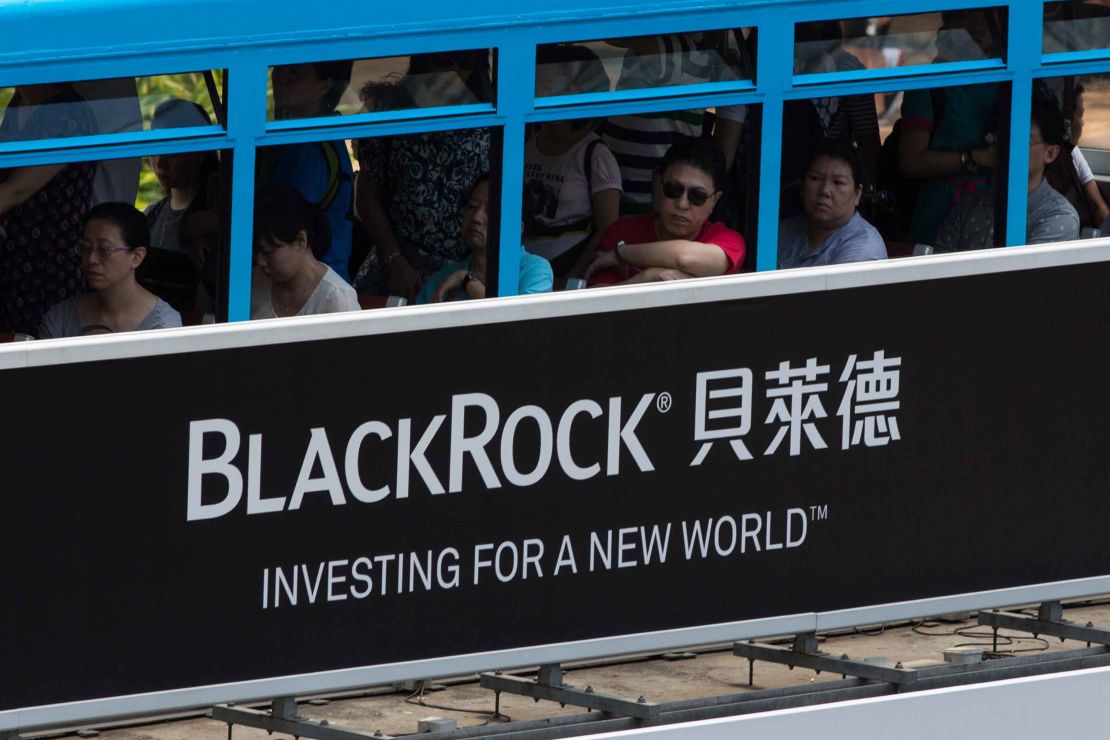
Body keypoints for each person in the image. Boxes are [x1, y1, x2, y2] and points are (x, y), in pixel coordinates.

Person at [354, 52, 492, 299]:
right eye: (443, 59)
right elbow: (367, 196)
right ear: (423, 59)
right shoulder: (392, 109)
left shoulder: (492, 112)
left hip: (465, 267)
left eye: (466, 60)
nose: (454, 69)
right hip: (401, 262)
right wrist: (394, 260)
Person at [601, 33, 746, 216]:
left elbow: (614, 32)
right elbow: (723, 159)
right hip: (654, 191)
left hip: (637, 193)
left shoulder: (672, 48)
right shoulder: (707, 60)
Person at [0, 82, 98, 336]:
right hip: (9, 266)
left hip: (47, 267)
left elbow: (16, 189)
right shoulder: (17, 103)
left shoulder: (71, 114)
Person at [897, 10, 1001, 245]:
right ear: (948, 25)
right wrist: (975, 158)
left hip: (991, 210)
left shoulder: (1004, 78)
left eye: (986, 17)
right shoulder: (928, 84)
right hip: (938, 212)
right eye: (967, 16)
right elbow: (911, 162)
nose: (978, 25)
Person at [584, 139, 745, 286]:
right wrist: (647, 279)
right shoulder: (621, 232)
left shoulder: (727, 240)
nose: (682, 204)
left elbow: (685, 258)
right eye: (673, 189)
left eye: (697, 196)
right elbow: (595, 308)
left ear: (715, 201)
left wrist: (621, 253)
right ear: (659, 187)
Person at [525, 44, 623, 278]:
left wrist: (574, 278)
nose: (547, 98)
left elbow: (607, 231)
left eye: (558, 91)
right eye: (541, 89)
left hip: (565, 268)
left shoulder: (595, 155)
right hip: (523, 265)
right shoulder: (526, 139)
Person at [935, 98, 1080, 252]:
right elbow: (939, 265)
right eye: (1002, 137)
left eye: (1023, 140)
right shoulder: (970, 204)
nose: (1007, 147)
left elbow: (1023, 274)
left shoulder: (1058, 218)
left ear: (1050, 153)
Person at [258, 61, 354, 281]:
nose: (280, 77)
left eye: (294, 72)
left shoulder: (309, 148)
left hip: (311, 289)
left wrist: (211, 222)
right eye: (277, 67)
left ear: (325, 85)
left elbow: (281, 223)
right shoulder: (299, 139)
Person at [38, 203, 181, 338]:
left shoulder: (163, 327)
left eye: (104, 249)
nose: (91, 259)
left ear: (137, 257)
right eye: (86, 248)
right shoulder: (61, 317)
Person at [417, 174, 552, 303]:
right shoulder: (441, 278)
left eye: (491, 211)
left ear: (517, 228)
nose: (476, 218)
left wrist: (467, 280)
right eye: (472, 206)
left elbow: (510, 325)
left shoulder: (535, 271)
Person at [143, 99, 220, 310]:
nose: (160, 162)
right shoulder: (151, 216)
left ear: (200, 150)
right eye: (154, 149)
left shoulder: (220, 217)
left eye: (173, 152)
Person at [251, 185, 359, 319]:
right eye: (256, 251)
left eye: (268, 251)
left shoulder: (337, 299)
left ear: (301, 240)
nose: (260, 261)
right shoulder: (256, 280)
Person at [778, 141, 887, 269]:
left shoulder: (863, 246)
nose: (824, 191)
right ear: (802, 187)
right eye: (816, 178)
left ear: (857, 194)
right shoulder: (783, 231)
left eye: (838, 182)